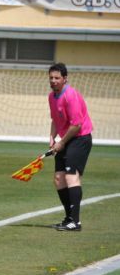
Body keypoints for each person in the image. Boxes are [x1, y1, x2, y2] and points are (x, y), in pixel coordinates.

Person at [47, 63, 93, 232]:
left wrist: (61, 142)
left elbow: (77, 125)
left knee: (70, 177)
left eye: (57, 78)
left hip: (80, 139)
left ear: (65, 79)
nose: (53, 81)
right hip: (66, 139)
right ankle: (68, 219)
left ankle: (76, 222)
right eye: (51, 78)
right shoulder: (52, 97)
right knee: (59, 179)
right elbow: (54, 120)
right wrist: (52, 138)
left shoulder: (70, 96)